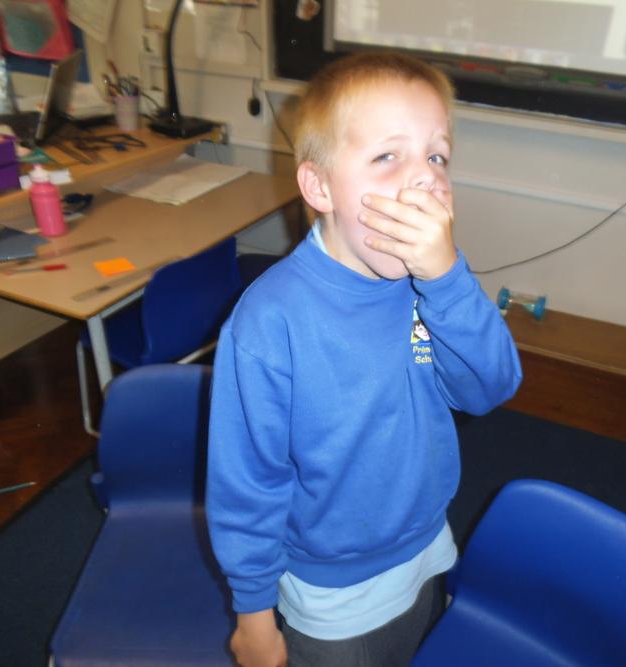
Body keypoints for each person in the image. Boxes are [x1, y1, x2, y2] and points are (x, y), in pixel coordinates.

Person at [206, 51, 523, 667]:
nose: (425, 180)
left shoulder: (435, 284)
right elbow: (246, 482)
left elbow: (490, 388)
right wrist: (253, 615)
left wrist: (448, 280)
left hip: (426, 544)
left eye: (437, 156)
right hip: (333, 593)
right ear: (320, 187)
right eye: (388, 156)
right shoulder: (270, 322)